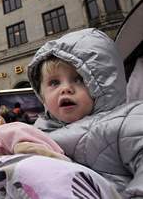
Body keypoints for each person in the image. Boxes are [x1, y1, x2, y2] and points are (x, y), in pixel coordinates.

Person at [26, 28, 143, 197]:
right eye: (54, 83)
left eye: (79, 79)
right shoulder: (39, 131)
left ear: (104, 83)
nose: (65, 89)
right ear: (42, 95)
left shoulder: (127, 121)